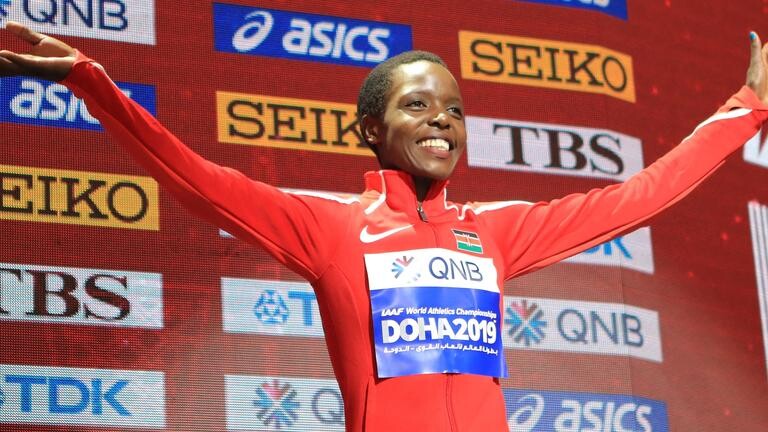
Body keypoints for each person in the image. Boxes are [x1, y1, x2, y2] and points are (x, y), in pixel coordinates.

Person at [2, 21, 767, 432]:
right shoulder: (330, 229)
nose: (441, 120)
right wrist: (91, 83)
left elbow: (640, 196)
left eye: (454, 109)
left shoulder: (495, 232)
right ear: (369, 129)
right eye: (416, 105)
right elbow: (197, 178)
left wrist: (748, 109)